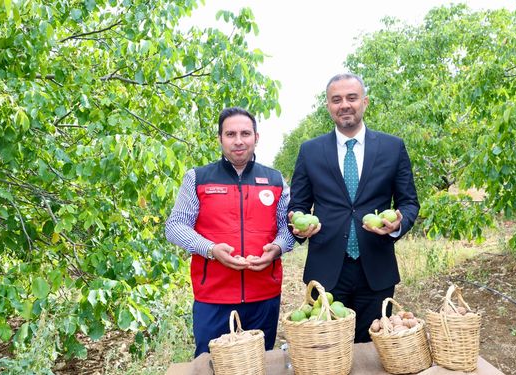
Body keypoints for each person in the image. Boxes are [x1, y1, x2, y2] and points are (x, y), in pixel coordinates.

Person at [288, 73, 420, 343]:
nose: (344, 105)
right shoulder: (310, 151)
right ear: (328, 106)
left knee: (373, 349)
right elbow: (298, 205)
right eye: (336, 100)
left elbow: (409, 202)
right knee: (326, 348)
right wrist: (300, 228)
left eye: (351, 97)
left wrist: (398, 224)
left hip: (376, 267)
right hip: (326, 269)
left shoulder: (392, 147)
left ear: (365, 102)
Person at [165, 107, 295, 357]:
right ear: (220, 138)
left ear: (256, 137)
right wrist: (211, 249)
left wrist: (277, 248)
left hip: (264, 295)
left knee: (258, 362)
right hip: (213, 296)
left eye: (245, 133)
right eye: (230, 134)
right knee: (212, 363)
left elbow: (288, 228)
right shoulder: (197, 178)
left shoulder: (275, 180)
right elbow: (175, 226)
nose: (238, 141)